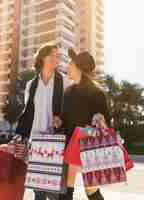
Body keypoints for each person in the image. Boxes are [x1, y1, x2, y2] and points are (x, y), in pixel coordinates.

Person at [12, 43, 72, 200]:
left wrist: (62, 119)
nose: (56, 58)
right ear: (42, 58)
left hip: (56, 143)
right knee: (38, 191)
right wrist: (19, 136)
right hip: (36, 143)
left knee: (54, 193)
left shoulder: (64, 82)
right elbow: (27, 113)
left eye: (58, 56)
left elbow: (71, 112)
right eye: (52, 54)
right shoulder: (32, 85)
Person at [62, 49, 110, 200]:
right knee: (66, 191)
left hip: (90, 147)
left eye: (70, 63)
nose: (67, 66)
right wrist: (58, 121)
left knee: (91, 191)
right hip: (70, 147)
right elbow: (65, 120)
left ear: (78, 67)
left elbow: (105, 123)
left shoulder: (96, 93)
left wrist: (100, 119)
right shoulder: (68, 92)